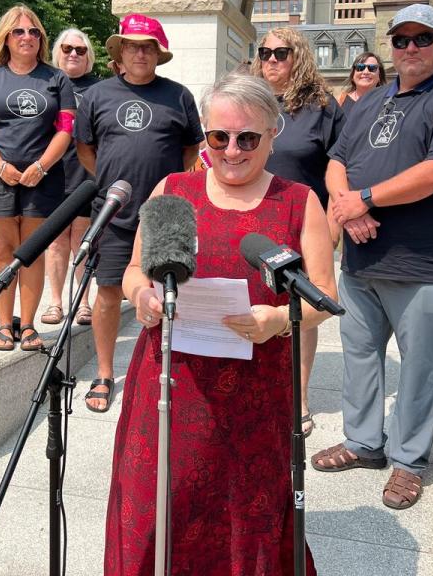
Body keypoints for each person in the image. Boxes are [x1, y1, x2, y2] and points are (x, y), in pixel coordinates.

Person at [105, 71, 337, 575]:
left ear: (273, 135)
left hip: (254, 397)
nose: (232, 150)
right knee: (163, 505)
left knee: (242, 514)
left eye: (247, 138)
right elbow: (131, 272)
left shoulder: (299, 202)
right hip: (170, 384)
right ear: (205, 135)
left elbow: (324, 299)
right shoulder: (173, 188)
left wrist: (278, 317)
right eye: (218, 137)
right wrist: (141, 296)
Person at [313, 3, 433, 510]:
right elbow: (337, 161)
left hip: (422, 262)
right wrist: (347, 209)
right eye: (402, 39)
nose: (411, 48)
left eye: (422, 38)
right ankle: (363, 442)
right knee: (360, 356)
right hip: (362, 261)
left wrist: (363, 200)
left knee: (419, 366)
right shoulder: (370, 100)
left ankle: (409, 463)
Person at [75, 13, 204, 412]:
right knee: (109, 291)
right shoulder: (98, 95)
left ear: (158, 53)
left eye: (148, 46)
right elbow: (85, 148)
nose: (140, 53)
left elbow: (191, 150)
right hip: (113, 212)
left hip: (163, 213)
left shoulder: (178, 95)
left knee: (169, 293)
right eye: (132, 45)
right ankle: (103, 372)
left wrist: (171, 187)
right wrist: (114, 184)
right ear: (120, 52)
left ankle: (166, 371)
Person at [0, 4, 76, 351]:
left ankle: (27, 325)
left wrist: (41, 166)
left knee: (32, 250)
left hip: (42, 177)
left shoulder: (56, 79)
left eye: (33, 31)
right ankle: (3, 324)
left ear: (41, 39)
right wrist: (0, 165)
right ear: (6, 38)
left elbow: (66, 129)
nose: (27, 36)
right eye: (19, 31)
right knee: (3, 248)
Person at [252, 26, 344, 438]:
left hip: (304, 222)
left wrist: (334, 223)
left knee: (302, 313)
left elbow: (341, 166)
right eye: (265, 52)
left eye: (281, 52)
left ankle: (299, 397)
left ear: (299, 56)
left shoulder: (322, 107)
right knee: (255, 306)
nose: (272, 59)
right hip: (252, 221)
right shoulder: (249, 100)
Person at [41, 28, 99, 328]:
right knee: (55, 242)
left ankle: (84, 302)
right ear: (57, 52)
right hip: (52, 174)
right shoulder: (46, 83)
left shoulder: (99, 88)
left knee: (82, 239)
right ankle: (55, 302)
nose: (73, 54)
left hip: (85, 173)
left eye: (80, 50)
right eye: (66, 49)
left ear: (89, 56)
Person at [337, 51, 387, 118]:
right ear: (353, 75)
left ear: (379, 76)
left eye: (372, 68)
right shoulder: (340, 101)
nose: (366, 72)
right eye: (360, 67)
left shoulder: (387, 104)